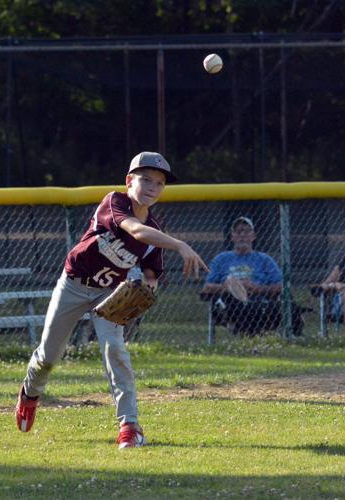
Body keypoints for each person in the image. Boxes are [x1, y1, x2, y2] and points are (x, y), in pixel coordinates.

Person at [16, 151, 208, 448]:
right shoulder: (114, 201)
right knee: (49, 356)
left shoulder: (155, 234)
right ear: (129, 181)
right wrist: (180, 244)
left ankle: (130, 425)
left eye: (159, 183)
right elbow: (134, 229)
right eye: (145, 180)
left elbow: (152, 275)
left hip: (109, 294)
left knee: (115, 351)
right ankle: (30, 393)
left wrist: (146, 289)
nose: (152, 188)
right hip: (74, 286)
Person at [200, 216, 302, 336]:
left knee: (287, 300)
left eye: (247, 231)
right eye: (238, 232)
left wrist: (257, 289)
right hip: (231, 304)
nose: (242, 235)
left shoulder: (264, 260)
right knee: (230, 280)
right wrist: (231, 287)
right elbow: (206, 288)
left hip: (260, 304)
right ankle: (245, 307)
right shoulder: (221, 259)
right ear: (232, 237)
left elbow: (282, 286)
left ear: (253, 236)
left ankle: (293, 335)